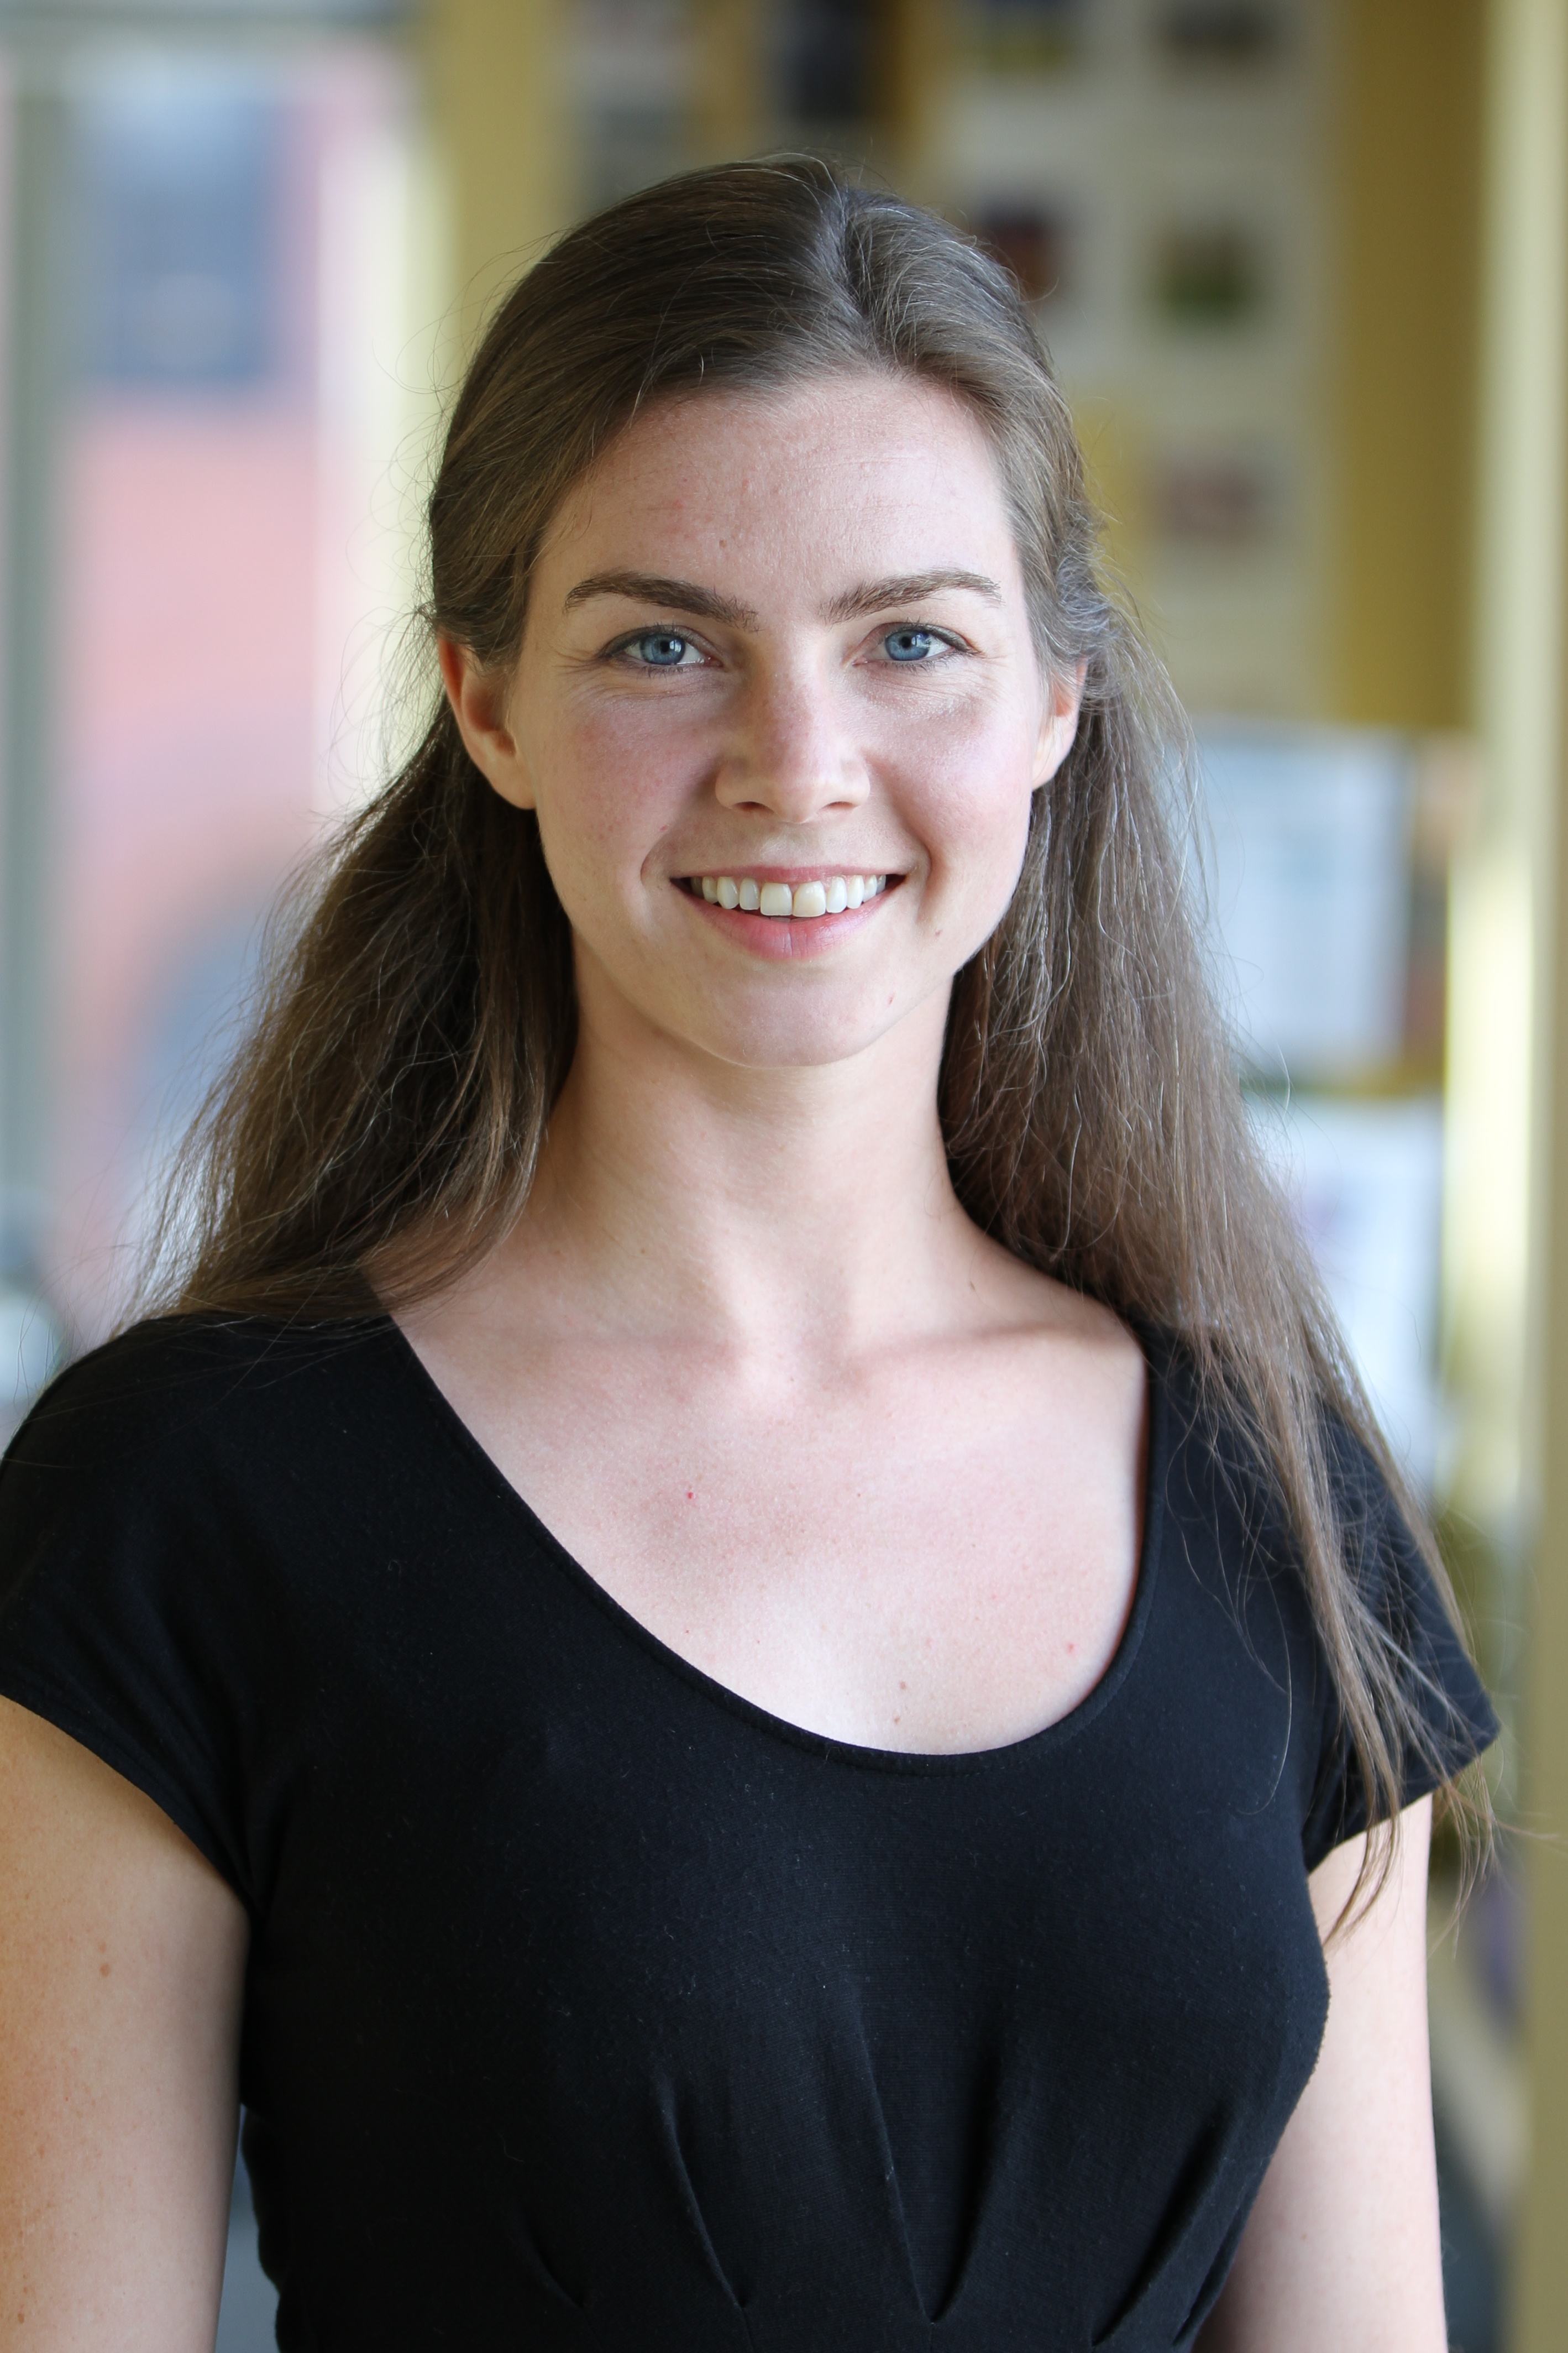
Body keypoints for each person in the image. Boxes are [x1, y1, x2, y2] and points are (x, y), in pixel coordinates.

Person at [0, 160, 1493, 2352]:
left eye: (908, 639)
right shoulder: (179, 1503)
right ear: (487, 708)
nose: (797, 766)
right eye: (664, 644)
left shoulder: (1274, 1488)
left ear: (1049, 710)